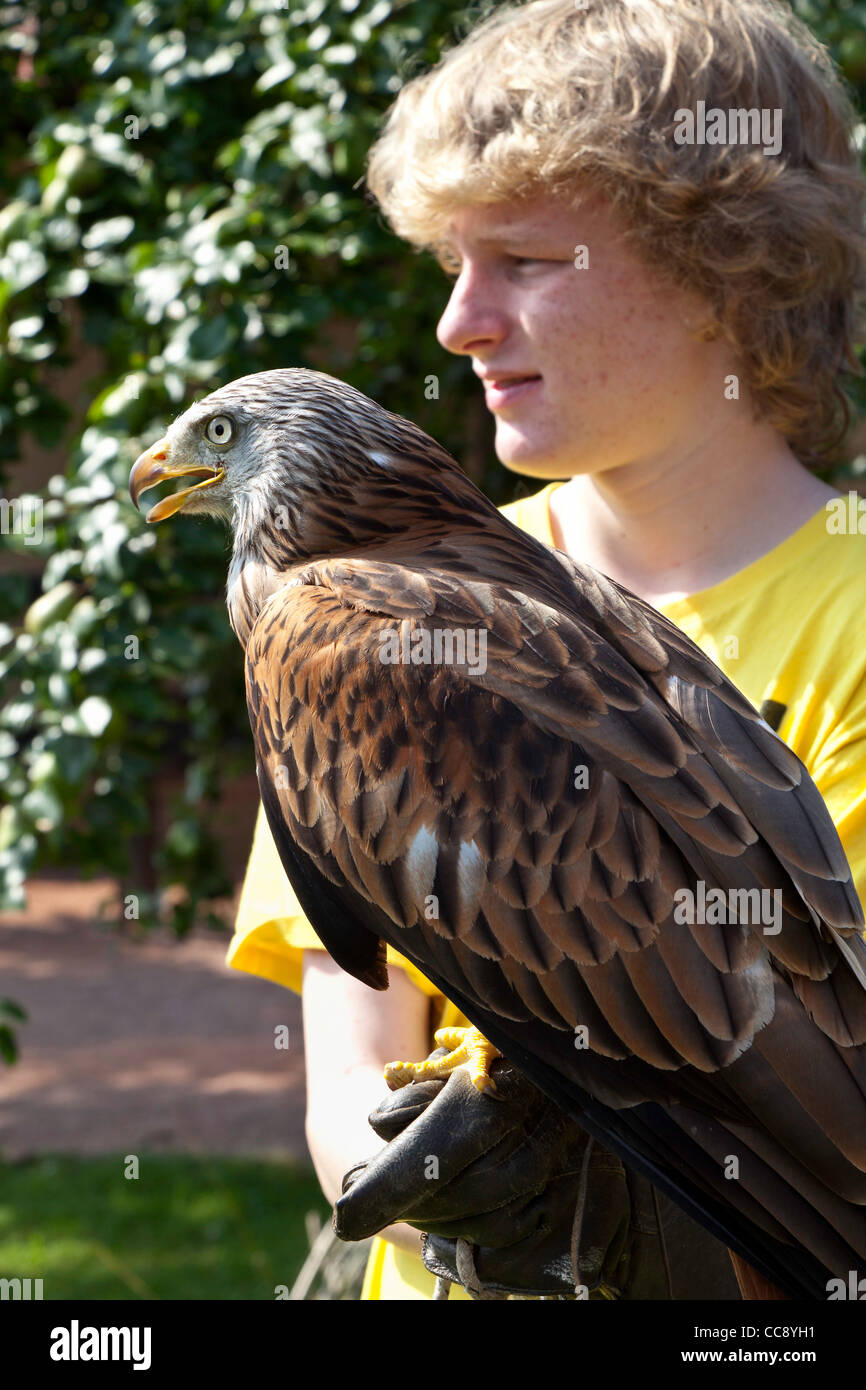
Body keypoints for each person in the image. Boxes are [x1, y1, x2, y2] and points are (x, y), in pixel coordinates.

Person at [227, 0, 866, 1299]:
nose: (459, 321)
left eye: (522, 259)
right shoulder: (355, 615)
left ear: (722, 268)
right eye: (452, 265)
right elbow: (348, 1078)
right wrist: (432, 1186)